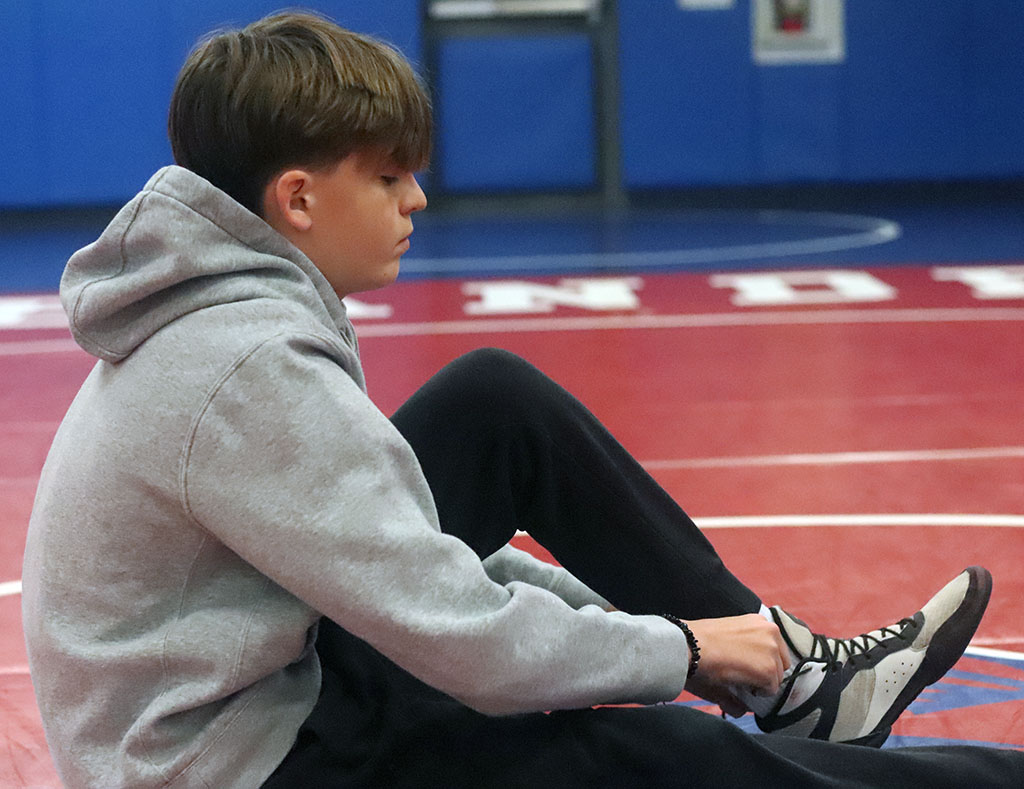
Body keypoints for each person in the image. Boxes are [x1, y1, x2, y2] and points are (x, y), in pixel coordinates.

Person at [20, 11, 1022, 788]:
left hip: (257, 696)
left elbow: (411, 550)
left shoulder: (228, 317)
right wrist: (678, 653)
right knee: (645, 760)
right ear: (298, 199)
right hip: (235, 765)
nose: (417, 199)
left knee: (487, 404)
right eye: (389, 175)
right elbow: (463, 636)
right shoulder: (246, 368)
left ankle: (796, 686)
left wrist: (700, 651)